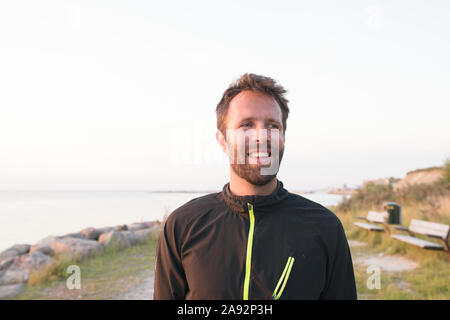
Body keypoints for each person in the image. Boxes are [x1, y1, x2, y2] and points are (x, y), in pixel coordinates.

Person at [153, 73, 357, 300]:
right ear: (222, 140)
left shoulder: (325, 228)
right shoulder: (182, 226)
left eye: (272, 126)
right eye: (246, 125)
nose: (262, 137)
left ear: (283, 138)